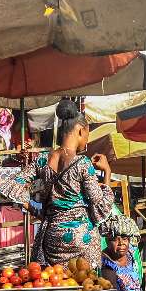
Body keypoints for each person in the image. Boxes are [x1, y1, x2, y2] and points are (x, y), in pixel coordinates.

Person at [34, 99, 115, 270]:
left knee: (55, 282)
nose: (87, 140)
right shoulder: (82, 163)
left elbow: (32, 194)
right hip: (81, 239)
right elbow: (99, 204)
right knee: (86, 285)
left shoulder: (42, 160)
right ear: (80, 130)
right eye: (87, 134)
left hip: (51, 237)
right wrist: (107, 172)